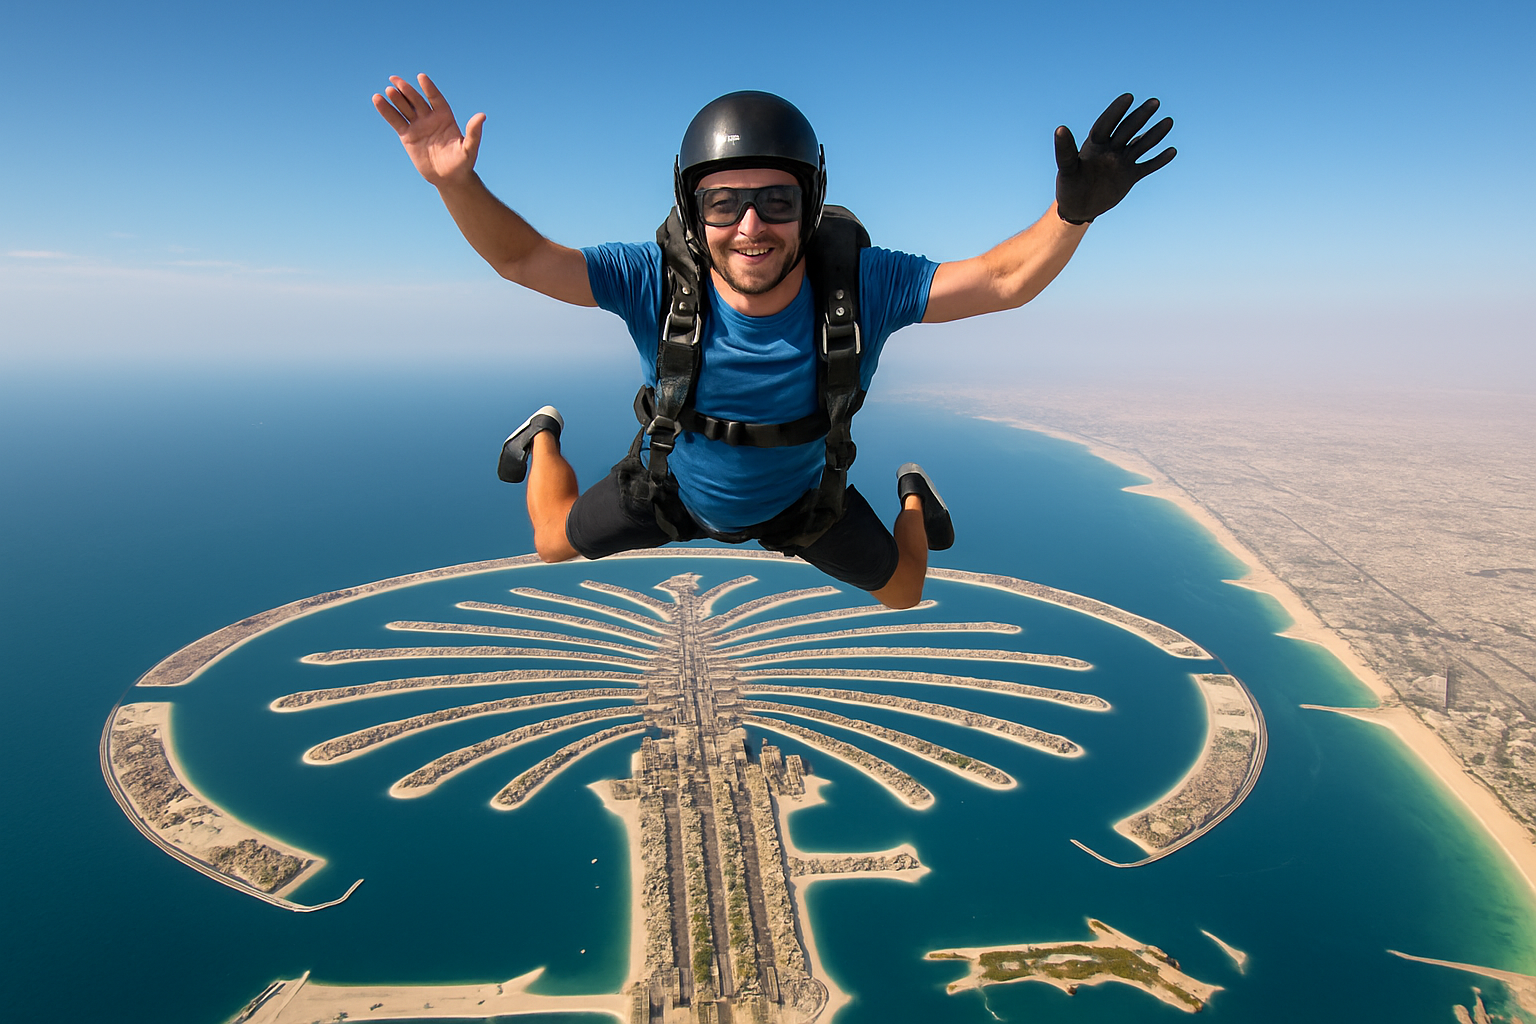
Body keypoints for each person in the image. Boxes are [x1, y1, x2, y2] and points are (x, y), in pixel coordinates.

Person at [373, 75, 1174, 609]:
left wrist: (1071, 216)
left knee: (906, 593)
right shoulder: (653, 280)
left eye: (774, 201)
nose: (750, 226)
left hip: (802, 500)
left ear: (811, 205)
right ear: (693, 215)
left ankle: (910, 495)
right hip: (672, 491)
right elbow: (522, 258)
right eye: (723, 205)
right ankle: (541, 435)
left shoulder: (863, 286)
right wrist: (456, 183)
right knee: (550, 541)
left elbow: (1002, 280)